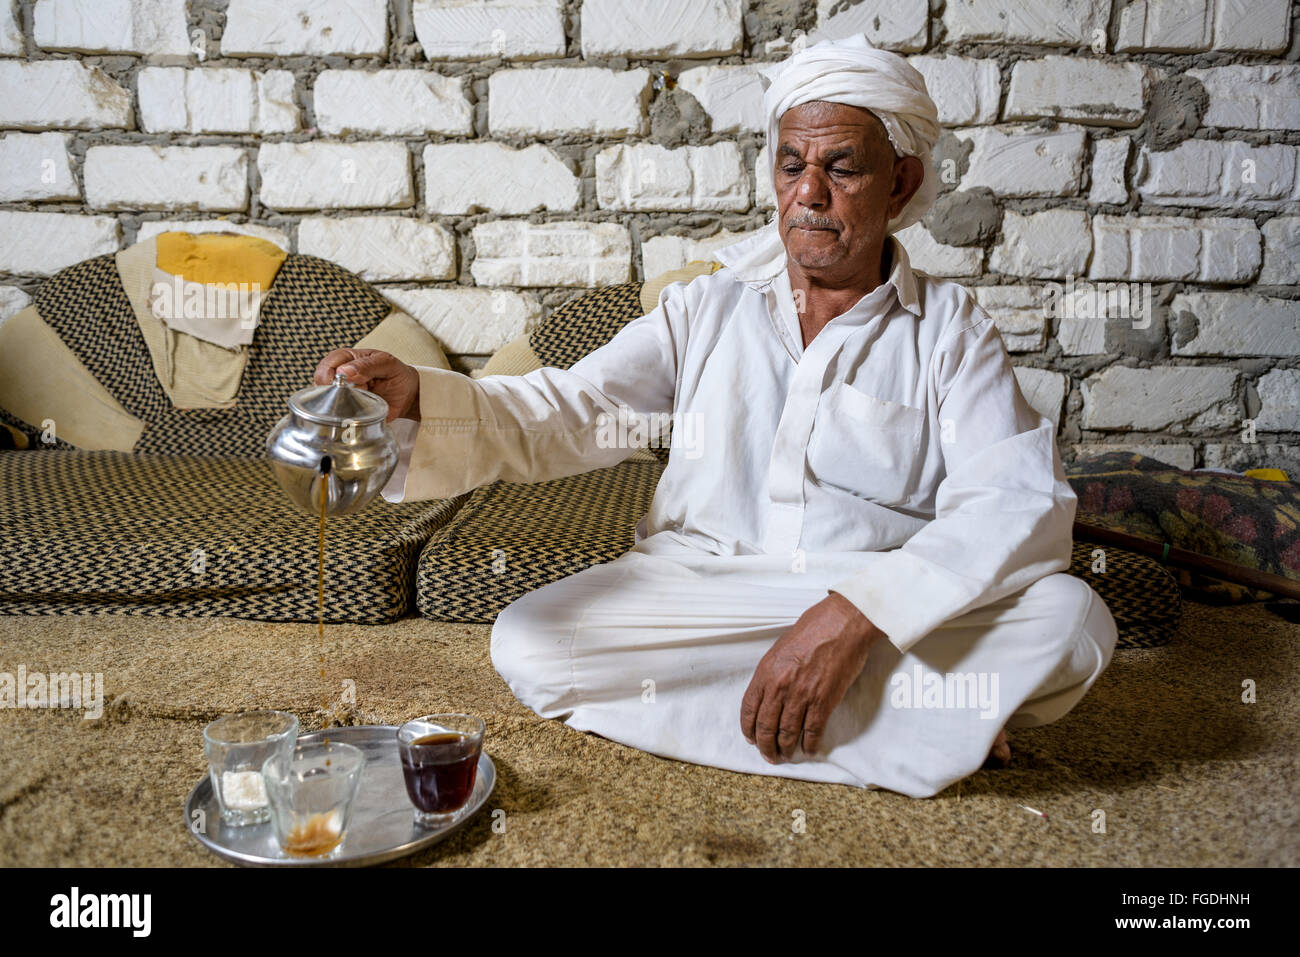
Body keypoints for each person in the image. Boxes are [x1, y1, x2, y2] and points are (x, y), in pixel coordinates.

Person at [313, 34, 1118, 798]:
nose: (809, 193)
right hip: (702, 587)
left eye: (841, 167)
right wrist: (424, 395)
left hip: (866, 597)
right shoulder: (707, 306)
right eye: (792, 164)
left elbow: (1017, 501)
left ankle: (842, 689)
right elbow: (574, 409)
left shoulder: (951, 329)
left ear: (901, 183)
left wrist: (857, 614)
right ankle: (918, 725)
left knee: (1073, 622)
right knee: (530, 639)